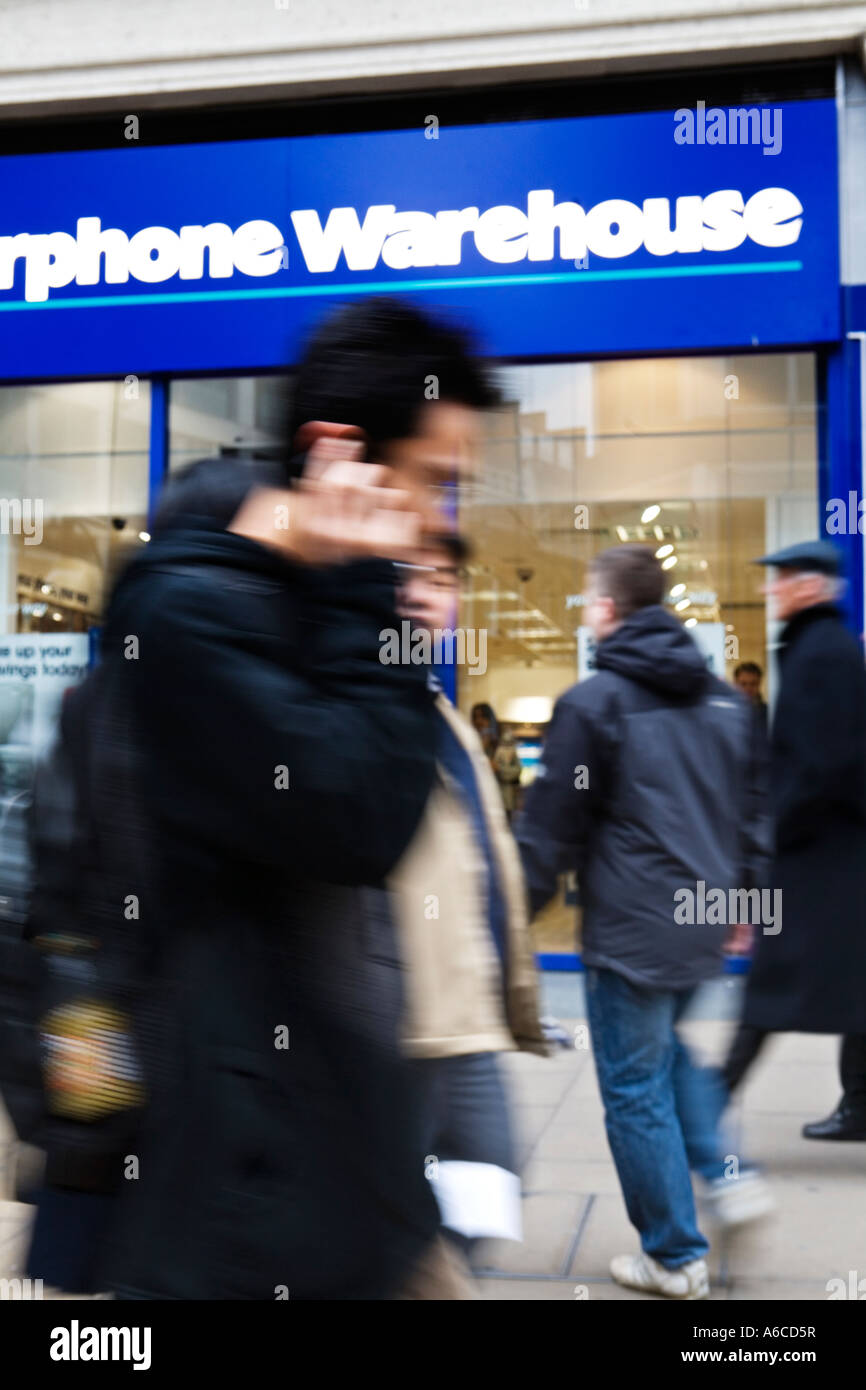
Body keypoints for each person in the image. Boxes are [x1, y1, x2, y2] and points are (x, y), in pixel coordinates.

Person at [90, 297, 499, 1300]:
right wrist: (368, 586)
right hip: (249, 1195)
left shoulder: (300, 603)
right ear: (336, 453)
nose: (442, 520)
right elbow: (354, 815)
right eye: (435, 482)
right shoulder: (189, 608)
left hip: (344, 1162)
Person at [516, 544, 772, 1301]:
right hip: (702, 921)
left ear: (606, 609)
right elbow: (756, 807)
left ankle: (673, 1254)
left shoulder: (593, 704)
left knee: (634, 1085)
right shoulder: (726, 701)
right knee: (671, 1059)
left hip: (630, 929)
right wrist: (745, 898)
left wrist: (508, 925)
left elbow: (549, 832)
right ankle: (733, 1180)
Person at [391, 534, 548, 1282]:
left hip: (467, 1009)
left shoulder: (441, 712)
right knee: (417, 1222)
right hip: (402, 1023)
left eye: (443, 577)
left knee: (488, 1181)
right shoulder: (366, 704)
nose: (426, 592)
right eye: (410, 574)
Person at [723, 541, 866, 1142]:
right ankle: (860, 1106)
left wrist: (777, 834)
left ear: (811, 587)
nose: (769, 589)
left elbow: (823, 764)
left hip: (821, 859)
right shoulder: (819, 649)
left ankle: (704, 1107)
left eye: (779, 579)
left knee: (770, 989)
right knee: (854, 985)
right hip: (837, 858)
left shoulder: (822, 655)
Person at [733, 661, 768, 730]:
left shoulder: (769, 714)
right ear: (735, 684)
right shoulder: (728, 713)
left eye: (753, 684)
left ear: (759, 683)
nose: (748, 688)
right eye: (743, 684)